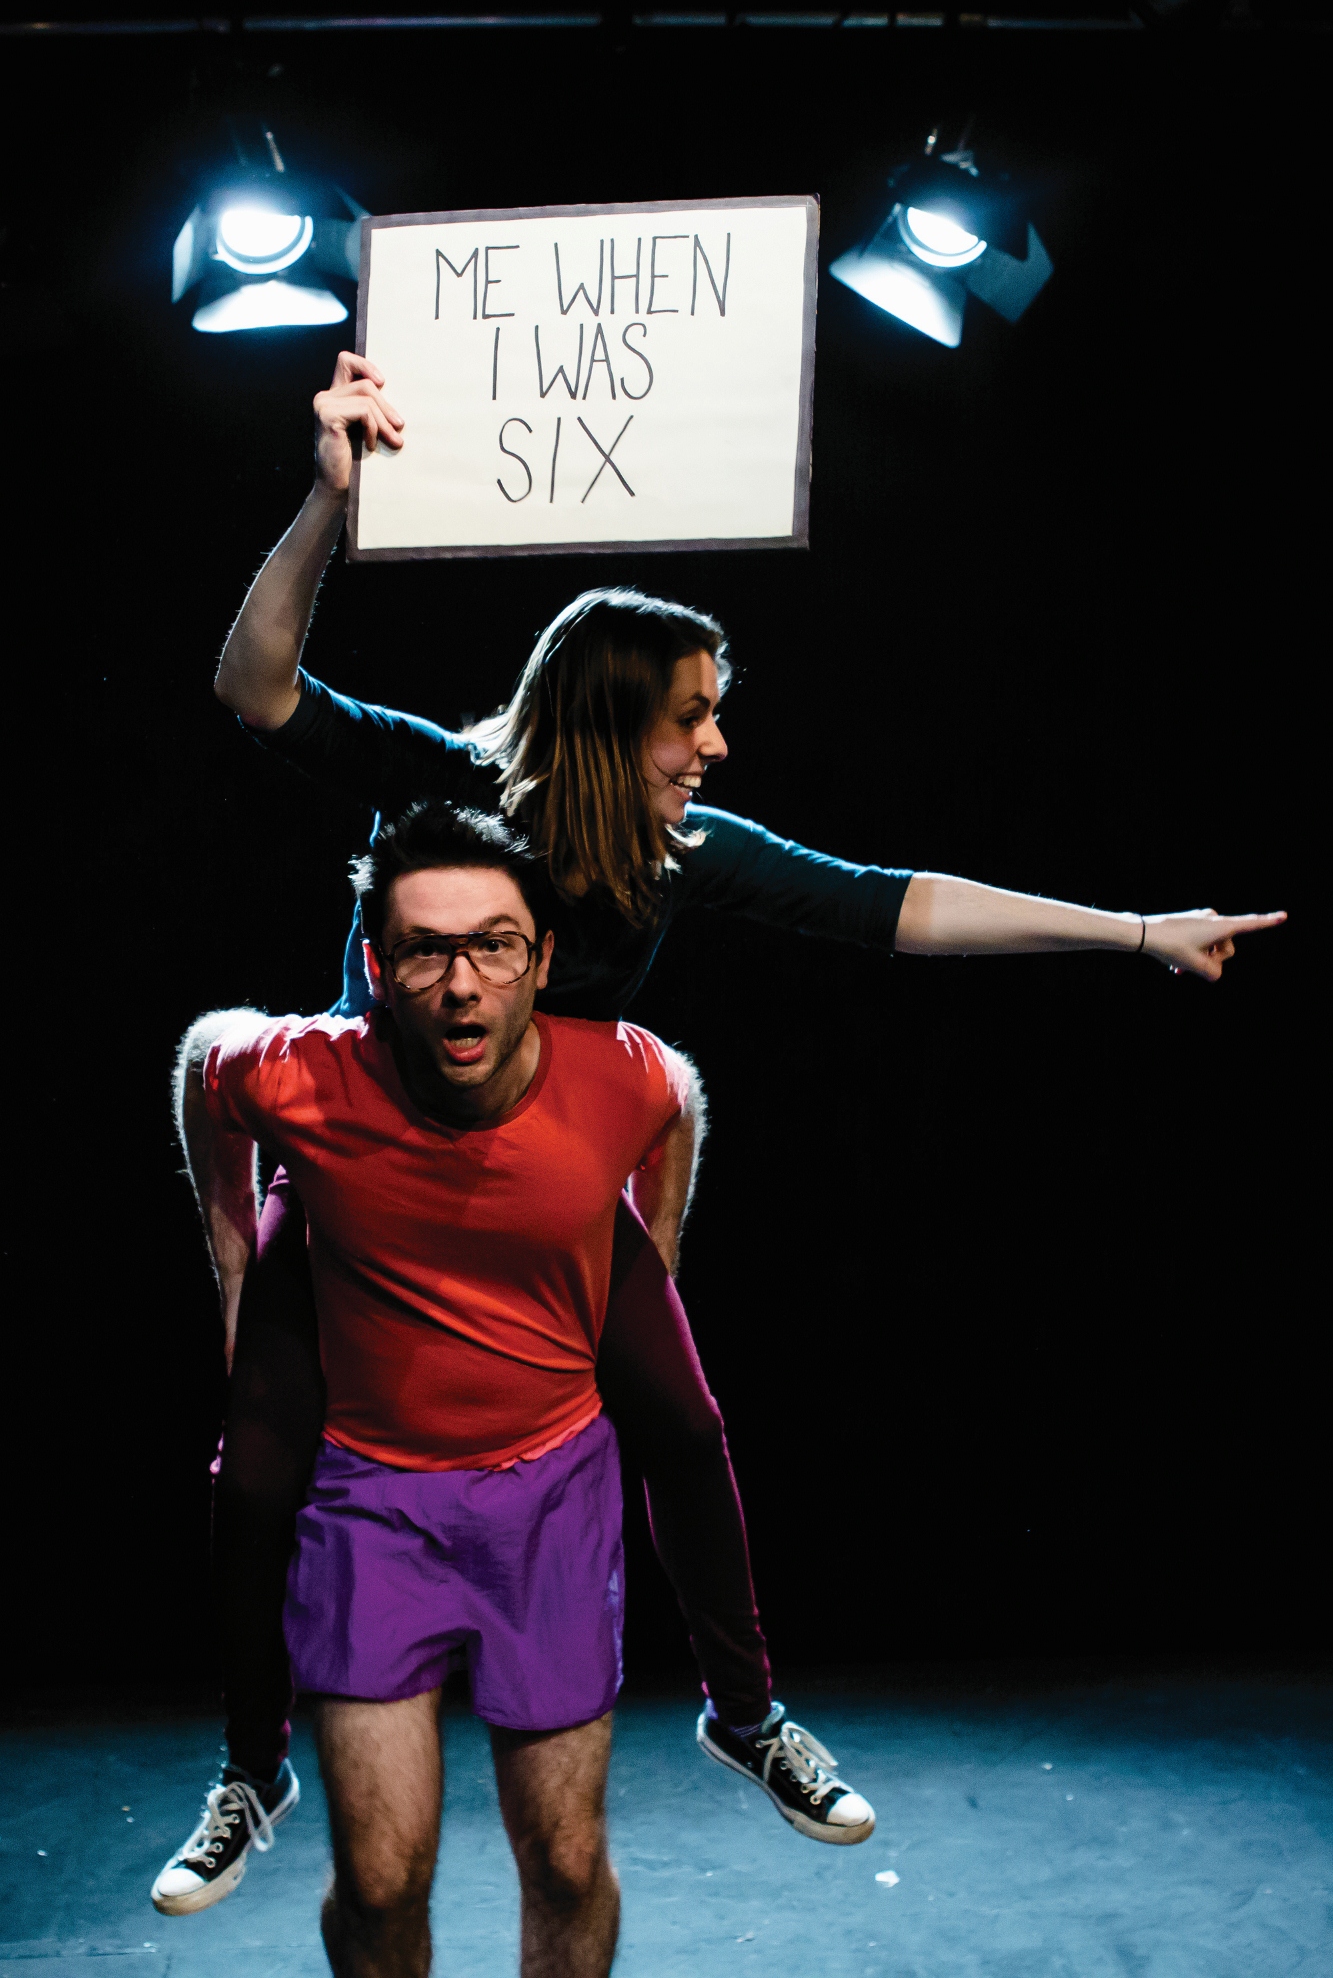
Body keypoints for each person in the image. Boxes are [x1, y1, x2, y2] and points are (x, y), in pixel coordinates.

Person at [158, 351, 1285, 1913]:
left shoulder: (681, 855)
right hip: (374, 1189)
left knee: (682, 1428)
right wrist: (325, 505)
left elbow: (892, 906)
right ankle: (249, 1765)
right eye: (694, 715)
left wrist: (1137, 932)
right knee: (255, 1476)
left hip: (546, 1197)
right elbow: (256, 689)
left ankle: (745, 1717)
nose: (716, 743)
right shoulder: (452, 788)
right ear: (615, 718)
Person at [160, 801, 735, 1976]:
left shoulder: (612, 1071)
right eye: (425, 950)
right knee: (379, 1882)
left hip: (551, 1495)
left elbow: (675, 1096)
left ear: (542, 958)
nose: (461, 983)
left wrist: (653, 1257)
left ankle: (753, 1712)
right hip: (371, 1501)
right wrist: (233, 1262)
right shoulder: (308, 1075)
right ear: (377, 970)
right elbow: (207, 1060)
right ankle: (249, 1766)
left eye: (493, 946)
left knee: (565, 1863)